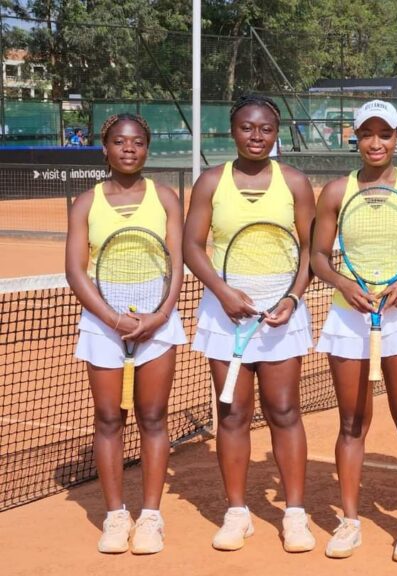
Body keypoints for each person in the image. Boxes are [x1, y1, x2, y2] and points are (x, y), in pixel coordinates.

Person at [183, 94, 316, 553]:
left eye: (265, 129)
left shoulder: (295, 182)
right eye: (247, 127)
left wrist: (293, 298)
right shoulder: (211, 182)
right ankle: (237, 512)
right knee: (233, 414)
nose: (256, 136)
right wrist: (223, 293)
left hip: (282, 311)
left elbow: (310, 250)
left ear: (276, 134)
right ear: (231, 130)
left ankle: (294, 514)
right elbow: (192, 246)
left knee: (284, 410)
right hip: (226, 312)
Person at [310, 100, 397, 562]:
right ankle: (349, 521)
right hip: (350, 315)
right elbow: (318, 256)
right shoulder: (335, 192)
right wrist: (343, 283)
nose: (375, 142)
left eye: (384, 133)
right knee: (351, 423)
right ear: (356, 138)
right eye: (366, 133)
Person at [65, 113, 186, 554]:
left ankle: (150, 516)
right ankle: (116, 516)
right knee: (108, 418)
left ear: (147, 148)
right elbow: (75, 271)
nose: (129, 148)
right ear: (105, 148)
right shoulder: (86, 203)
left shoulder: (166, 198)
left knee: (152, 416)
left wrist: (160, 314)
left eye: (137, 141)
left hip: (157, 321)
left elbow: (177, 262)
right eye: (119, 141)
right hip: (103, 323)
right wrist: (112, 319)